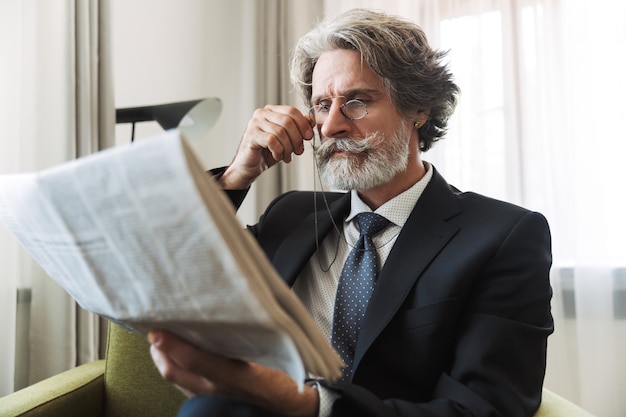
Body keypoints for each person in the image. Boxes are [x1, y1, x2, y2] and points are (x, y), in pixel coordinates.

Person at [148, 8, 554, 417]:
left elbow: (485, 407)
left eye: (357, 102)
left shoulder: (504, 236)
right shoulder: (289, 216)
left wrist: (309, 405)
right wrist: (238, 173)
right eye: (322, 104)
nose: (331, 126)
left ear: (419, 109)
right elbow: (168, 274)